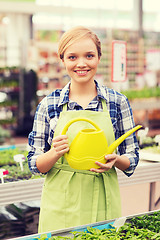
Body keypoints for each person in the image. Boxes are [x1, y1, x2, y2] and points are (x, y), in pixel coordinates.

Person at [27, 26, 139, 233]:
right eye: (72, 57)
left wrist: (117, 160)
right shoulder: (48, 105)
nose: (81, 63)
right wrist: (54, 153)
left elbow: (132, 157)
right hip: (60, 203)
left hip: (103, 199)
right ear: (62, 61)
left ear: (99, 58)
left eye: (89, 55)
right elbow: (35, 164)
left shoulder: (117, 102)